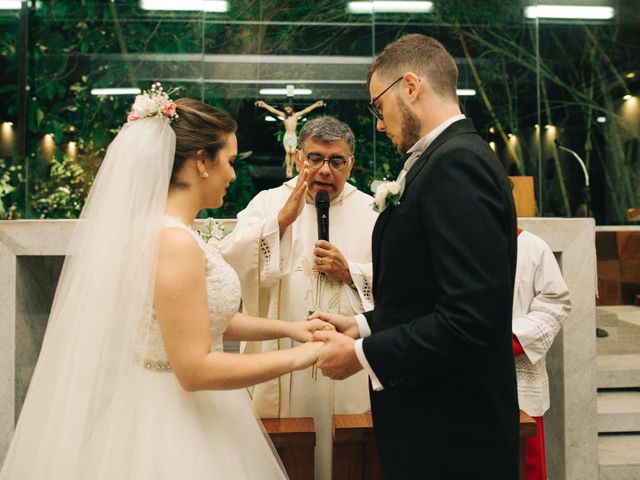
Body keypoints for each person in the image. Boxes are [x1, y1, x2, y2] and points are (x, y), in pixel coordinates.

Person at [0, 84, 329, 479]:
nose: (232, 173)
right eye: (228, 160)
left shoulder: (173, 233)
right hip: (170, 417)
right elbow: (194, 369)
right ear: (201, 162)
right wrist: (302, 357)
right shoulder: (173, 242)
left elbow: (205, 317)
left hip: (184, 404)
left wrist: (294, 329)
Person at [310, 34, 520, 479]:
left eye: (377, 107)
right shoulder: (439, 160)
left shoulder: (457, 164)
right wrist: (363, 324)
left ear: (410, 86)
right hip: (433, 429)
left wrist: (363, 354)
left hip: (454, 439)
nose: (380, 124)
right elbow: (426, 291)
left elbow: (472, 318)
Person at [220, 115, 378, 480]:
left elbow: (403, 281)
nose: (324, 170)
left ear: (351, 163)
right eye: (315, 158)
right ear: (298, 159)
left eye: (336, 161)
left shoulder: (372, 212)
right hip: (283, 357)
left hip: (349, 362)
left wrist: (351, 272)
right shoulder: (269, 203)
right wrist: (278, 224)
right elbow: (230, 262)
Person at [512, 227, 571, 480]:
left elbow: (554, 304)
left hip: (516, 378)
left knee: (525, 465)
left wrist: (511, 341)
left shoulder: (532, 247)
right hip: (457, 379)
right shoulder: (448, 241)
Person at [255, 99, 325, 178]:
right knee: (288, 152)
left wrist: (316, 104)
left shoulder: (295, 116)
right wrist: (264, 104)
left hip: (293, 136)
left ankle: (291, 168)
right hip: (287, 136)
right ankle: (288, 169)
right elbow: (273, 110)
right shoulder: (284, 116)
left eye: (288, 109)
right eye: (286, 110)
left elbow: (306, 110)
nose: (287, 111)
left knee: (292, 152)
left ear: (291, 108)